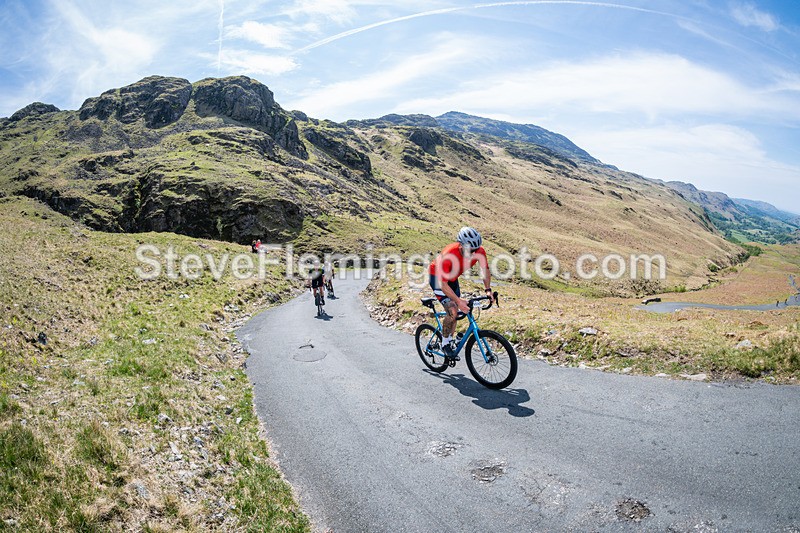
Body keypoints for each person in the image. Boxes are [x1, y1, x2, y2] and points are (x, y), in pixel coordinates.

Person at [428, 227, 493, 360]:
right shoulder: (449, 255)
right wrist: (458, 301)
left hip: (452, 278)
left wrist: (488, 290)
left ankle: (451, 339)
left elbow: (485, 270)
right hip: (438, 278)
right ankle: (445, 343)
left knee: (457, 311)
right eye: (470, 250)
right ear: (461, 245)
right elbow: (443, 285)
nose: (473, 253)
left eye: (475, 250)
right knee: (452, 309)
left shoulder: (479, 252)